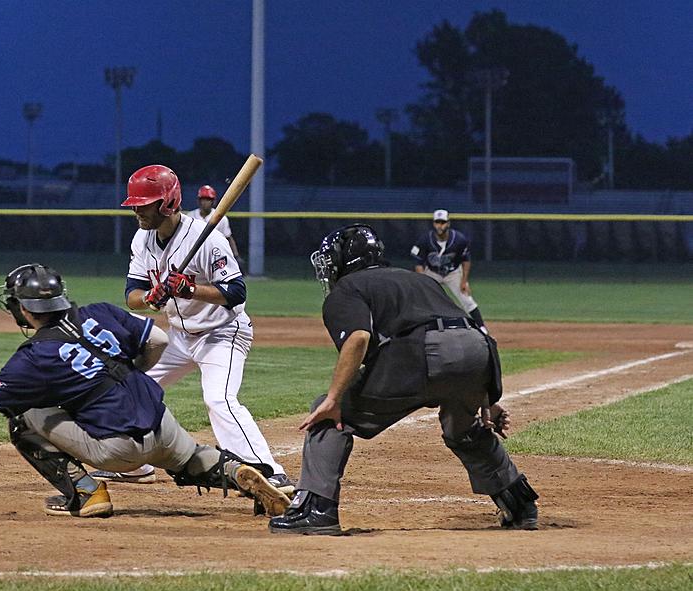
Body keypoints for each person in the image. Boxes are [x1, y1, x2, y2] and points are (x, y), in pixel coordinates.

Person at [0, 264, 290, 519]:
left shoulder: (34, 356)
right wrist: (129, 370)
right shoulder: (100, 312)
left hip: (117, 451)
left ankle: (88, 494)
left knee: (22, 416)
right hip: (161, 422)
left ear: (23, 309)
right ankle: (236, 472)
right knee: (192, 456)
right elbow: (160, 342)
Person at [268, 224, 538, 535]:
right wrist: (487, 401)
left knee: (329, 414)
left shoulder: (348, 288)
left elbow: (358, 338)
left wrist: (333, 398)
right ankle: (519, 504)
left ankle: (317, 510)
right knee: (462, 428)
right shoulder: (419, 279)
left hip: (420, 354)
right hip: (479, 351)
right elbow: (461, 330)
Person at [95, 164, 294, 496]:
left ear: (167, 203)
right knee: (129, 386)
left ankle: (270, 473)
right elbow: (132, 294)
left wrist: (192, 290)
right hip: (179, 337)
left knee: (219, 399)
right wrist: (150, 296)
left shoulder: (209, 240)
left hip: (223, 333)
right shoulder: (142, 239)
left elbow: (236, 293)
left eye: (143, 204)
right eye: (135, 204)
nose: (136, 211)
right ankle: (134, 464)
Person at [410, 210, 485, 329]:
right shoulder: (425, 239)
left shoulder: (459, 239)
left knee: (467, 300)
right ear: (433, 223)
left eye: (443, 222)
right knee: (420, 300)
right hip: (432, 272)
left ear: (448, 223)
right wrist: (422, 282)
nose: (440, 225)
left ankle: (482, 328)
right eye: (437, 222)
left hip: (453, 272)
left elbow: (466, 260)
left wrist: (464, 281)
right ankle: (416, 328)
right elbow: (419, 263)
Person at [186, 185, 242, 262]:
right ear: (199, 201)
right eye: (203, 199)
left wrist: (236, 255)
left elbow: (228, 238)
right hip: (194, 256)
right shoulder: (190, 216)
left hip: (215, 255)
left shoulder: (220, 217)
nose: (205, 202)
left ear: (213, 201)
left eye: (208, 199)